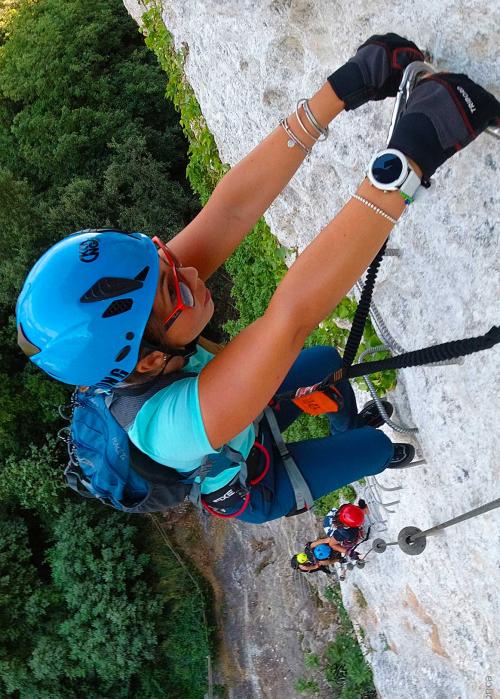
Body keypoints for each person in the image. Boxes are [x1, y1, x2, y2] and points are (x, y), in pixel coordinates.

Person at [16, 34, 500, 523]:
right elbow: (288, 320)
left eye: (164, 258)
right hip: (253, 482)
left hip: (243, 413)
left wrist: (346, 86)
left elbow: (229, 211)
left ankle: (345, 424)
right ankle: (381, 447)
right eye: (174, 286)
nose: (187, 270)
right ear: (154, 359)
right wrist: (410, 157)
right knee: (374, 446)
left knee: (328, 364)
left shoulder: (148, 313)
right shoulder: (170, 428)